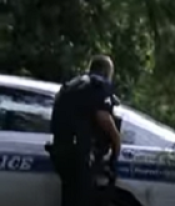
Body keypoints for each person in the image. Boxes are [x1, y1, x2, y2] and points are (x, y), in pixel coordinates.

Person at [47, 55, 122, 206]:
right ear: (107, 72)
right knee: (81, 198)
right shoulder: (98, 85)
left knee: (70, 198)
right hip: (79, 153)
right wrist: (116, 143)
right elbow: (104, 118)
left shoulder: (72, 84)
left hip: (60, 149)